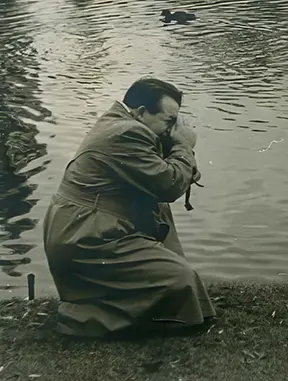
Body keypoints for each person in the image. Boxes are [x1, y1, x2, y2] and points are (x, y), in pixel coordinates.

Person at [42, 77, 215, 338]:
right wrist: (183, 147)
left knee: (160, 216)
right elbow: (168, 185)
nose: (172, 130)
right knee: (180, 281)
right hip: (86, 238)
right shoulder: (128, 133)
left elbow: (157, 172)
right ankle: (82, 319)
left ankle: (161, 282)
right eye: (169, 121)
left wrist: (179, 159)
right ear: (143, 113)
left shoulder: (121, 121)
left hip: (81, 227)